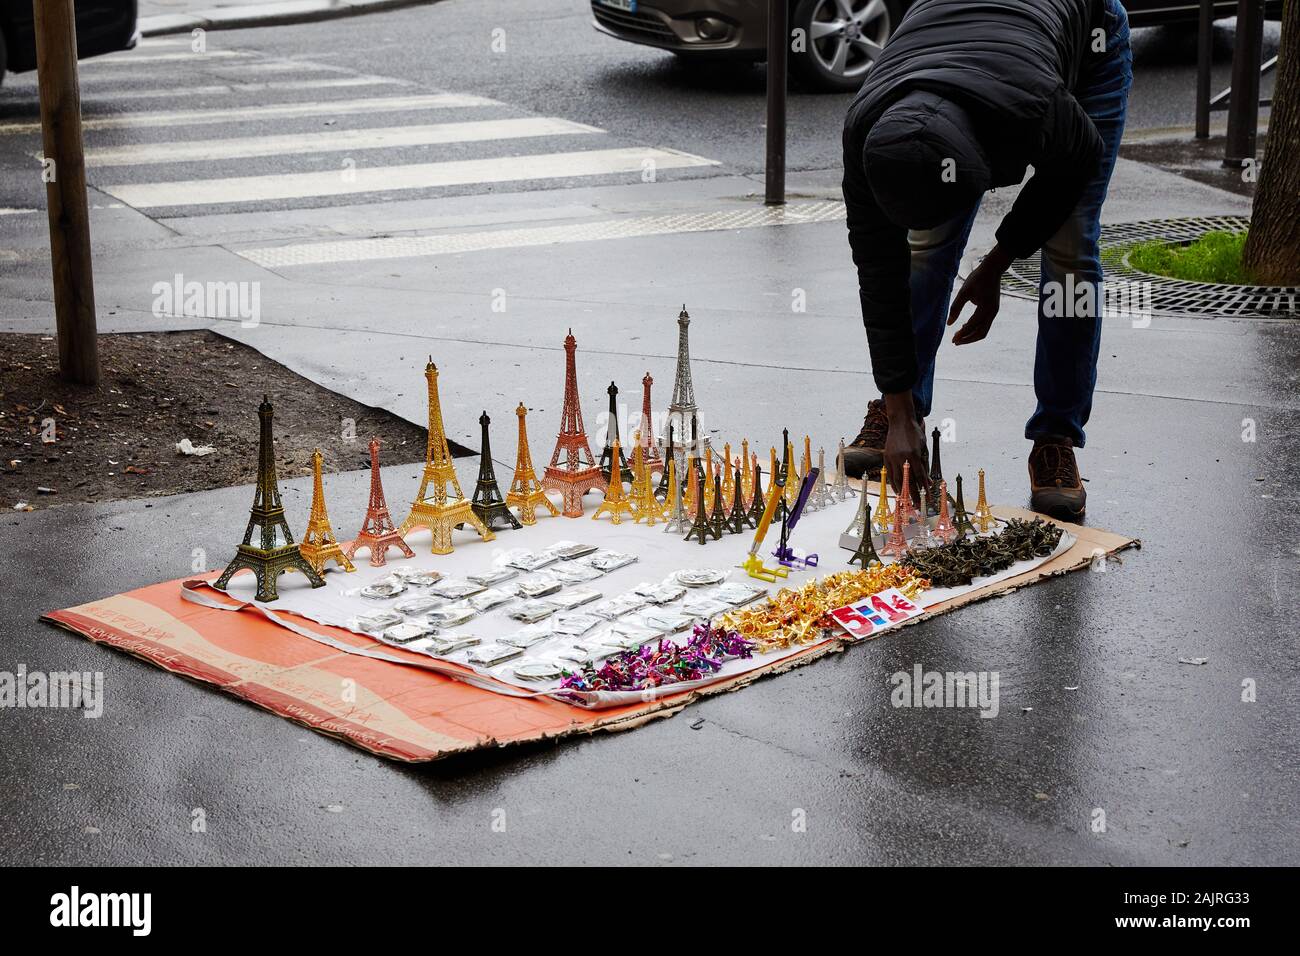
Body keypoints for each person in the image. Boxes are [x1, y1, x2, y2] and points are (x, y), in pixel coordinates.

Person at [840, 0, 1132, 520]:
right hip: (957, 51)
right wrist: (898, 401)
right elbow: (878, 273)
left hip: (1088, 44)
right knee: (925, 249)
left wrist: (998, 262)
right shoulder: (867, 131)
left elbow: (1073, 169)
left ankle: (1055, 436)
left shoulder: (1038, 110)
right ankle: (901, 411)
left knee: (1069, 249)